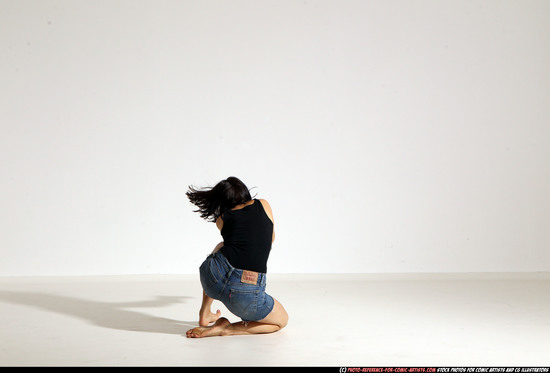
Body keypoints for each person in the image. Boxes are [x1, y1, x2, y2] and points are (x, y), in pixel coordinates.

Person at [185, 176, 288, 338]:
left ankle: (205, 313)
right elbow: (271, 238)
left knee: (221, 247)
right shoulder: (263, 204)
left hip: (210, 277)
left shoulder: (222, 219)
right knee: (281, 321)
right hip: (245, 292)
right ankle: (228, 329)